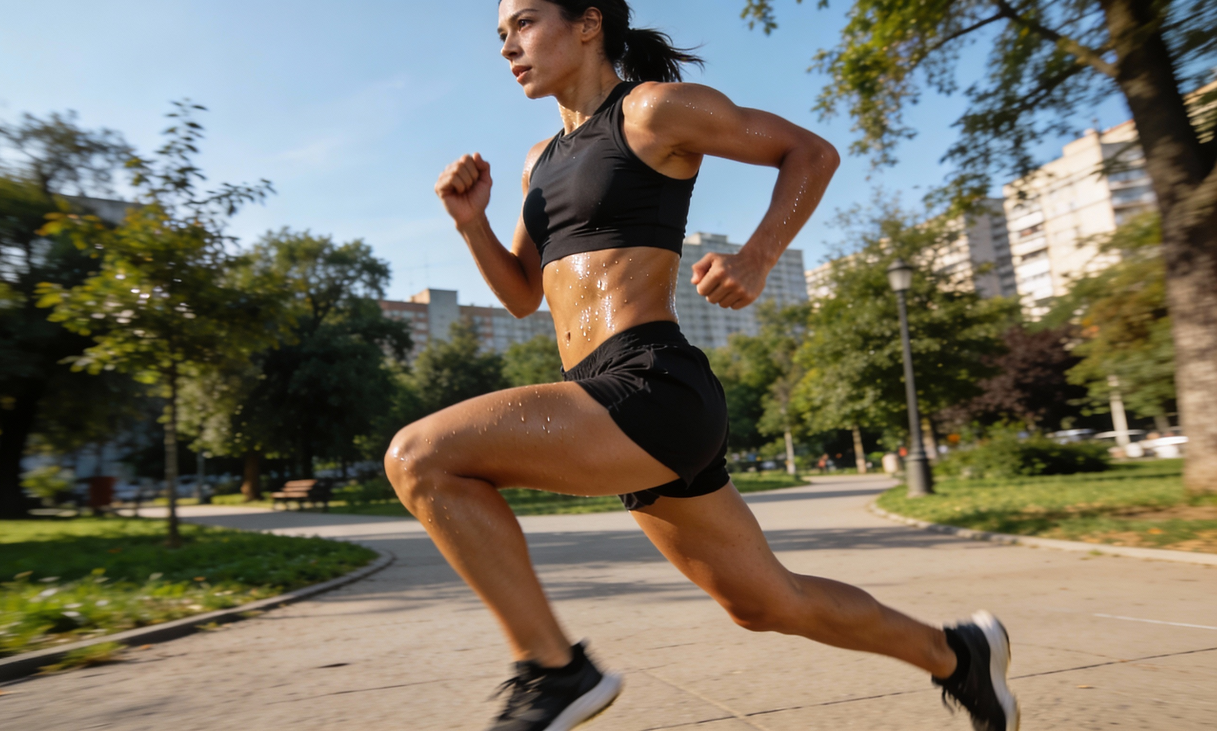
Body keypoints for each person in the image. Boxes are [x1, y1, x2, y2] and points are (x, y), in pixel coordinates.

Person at [385, 2, 1020, 729]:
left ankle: (553, 670)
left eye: (525, 23)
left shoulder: (653, 110)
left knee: (420, 457)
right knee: (765, 601)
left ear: (587, 23)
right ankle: (959, 655)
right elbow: (524, 295)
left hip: (650, 384)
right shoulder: (541, 159)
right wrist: (472, 225)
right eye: (501, 33)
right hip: (602, 398)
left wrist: (757, 256)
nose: (508, 47)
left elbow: (811, 153)